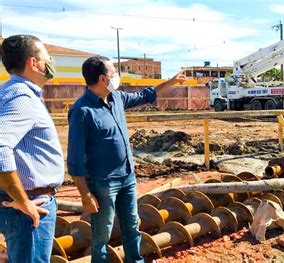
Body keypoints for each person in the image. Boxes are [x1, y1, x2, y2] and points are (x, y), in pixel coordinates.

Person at [67, 56, 185, 262]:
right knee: (102, 234)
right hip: (103, 183)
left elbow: (146, 95)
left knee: (132, 225)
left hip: (127, 177)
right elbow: (74, 158)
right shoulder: (82, 111)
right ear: (103, 79)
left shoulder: (117, 98)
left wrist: (172, 81)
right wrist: (85, 194)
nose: (117, 77)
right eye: (114, 73)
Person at [0, 35, 64, 262]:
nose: (50, 62)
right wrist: (23, 200)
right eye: (47, 57)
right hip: (30, 209)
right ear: (33, 63)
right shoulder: (22, 97)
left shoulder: (8, 92)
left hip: (22, 205)